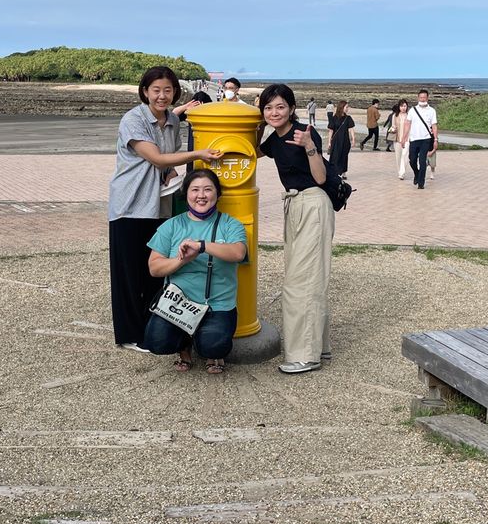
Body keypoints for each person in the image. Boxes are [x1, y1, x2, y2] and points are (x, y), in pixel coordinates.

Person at [108, 66, 222, 352]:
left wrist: (173, 174)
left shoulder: (172, 120)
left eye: (168, 90)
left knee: (154, 272)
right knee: (130, 272)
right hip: (131, 205)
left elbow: (167, 163)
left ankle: (153, 329)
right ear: (145, 91)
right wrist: (198, 154)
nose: (162, 96)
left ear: (174, 92)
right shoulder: (133, 119)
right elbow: (157, 158)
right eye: (156, 90)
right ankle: (130, 335)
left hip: (159, 206)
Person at [257, 84, 333, 375]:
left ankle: (305, 355)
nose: (274, 112)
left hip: (313, 203)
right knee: (306, 276)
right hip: (294, 206)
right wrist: (252, 121)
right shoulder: (274, 138)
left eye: (279, 106)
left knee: (302, 283)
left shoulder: (303, 133)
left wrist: (309, 146)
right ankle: (319, 347)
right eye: (268, 108)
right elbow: (251, 152)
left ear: (291, 107)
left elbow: (320, 176)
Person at [143, 170, 248, 374]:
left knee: (214, 345)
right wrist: (180, 260)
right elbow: (154, 268)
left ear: (217, 194)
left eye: (208, 189)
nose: (201, 195)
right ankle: (184, 346)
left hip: (216, 304)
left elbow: (238, 253)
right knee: (156, 342)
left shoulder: (230, 224)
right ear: (186, 193)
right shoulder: (172, 225)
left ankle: (210, 349)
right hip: (178, 304)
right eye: (195, 190)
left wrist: (202, 246)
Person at [406, 90, 438, 189]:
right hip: (414, 139)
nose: (423, 99)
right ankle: (417, 173)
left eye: (424, 97)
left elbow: (434, 125)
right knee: (412, 160)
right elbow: (408, 124)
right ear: (418, 98)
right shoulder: (412, 110)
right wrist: (404, 138)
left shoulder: (431, 110)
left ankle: (421, 183)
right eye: (421, 97)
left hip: (426, 139)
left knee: (422, 161)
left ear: (427, 98)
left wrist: (436, 139)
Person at [328, 100, 355, 177]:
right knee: (335, 157)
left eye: (347, 107)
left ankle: (343, 172)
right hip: (336, 141)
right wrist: (329, 142)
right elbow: (330, 131)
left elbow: (351, 129)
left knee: (344, 156)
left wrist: (353, 139)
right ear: (341, 107)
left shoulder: (348, 118)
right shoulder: (334, 118)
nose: (347, 108)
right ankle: (335, 172)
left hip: (345, 140)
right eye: (346, 107)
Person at [392, 99, 411, 178]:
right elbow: (393, 125)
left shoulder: (409, 116)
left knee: (405, 155)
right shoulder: (395, 116)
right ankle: (399, 171)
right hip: (397, 139)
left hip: (407, 139)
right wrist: (393, 128)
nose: (403, 108)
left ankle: (402, 173)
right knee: (398, 156)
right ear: (399, 107)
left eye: (405, 106)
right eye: (402, 106)